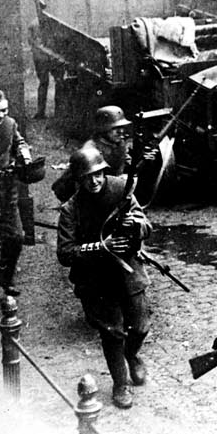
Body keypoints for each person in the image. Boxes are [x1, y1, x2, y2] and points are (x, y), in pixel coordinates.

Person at [56, 146, 153, 408]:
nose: (94, 181)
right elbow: (65, 253)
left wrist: (137, 225)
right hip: (95, 279)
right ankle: (120, 384)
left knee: (141, 324)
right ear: (78, 179)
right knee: (112, 333)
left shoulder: (121, 188)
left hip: (128, 271)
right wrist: (102, 247)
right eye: (87, 177)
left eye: (98, 174)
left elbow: (147, 224)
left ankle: (131, 355)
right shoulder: (71, 209)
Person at [0, 88, 41, 299]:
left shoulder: (9, 124)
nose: (0, 115)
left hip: (7, 189)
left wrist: (24, 155)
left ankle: (5, 278)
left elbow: (19, 142)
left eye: (4, 110)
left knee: (16, 236)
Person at [51, 105, 133, 202]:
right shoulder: (91, 148)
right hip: (85, 189)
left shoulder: (119, 143)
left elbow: (122, 163)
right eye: (115, 128)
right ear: (103, 129)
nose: (121, 131)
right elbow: (85, 182)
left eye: (122, 127)